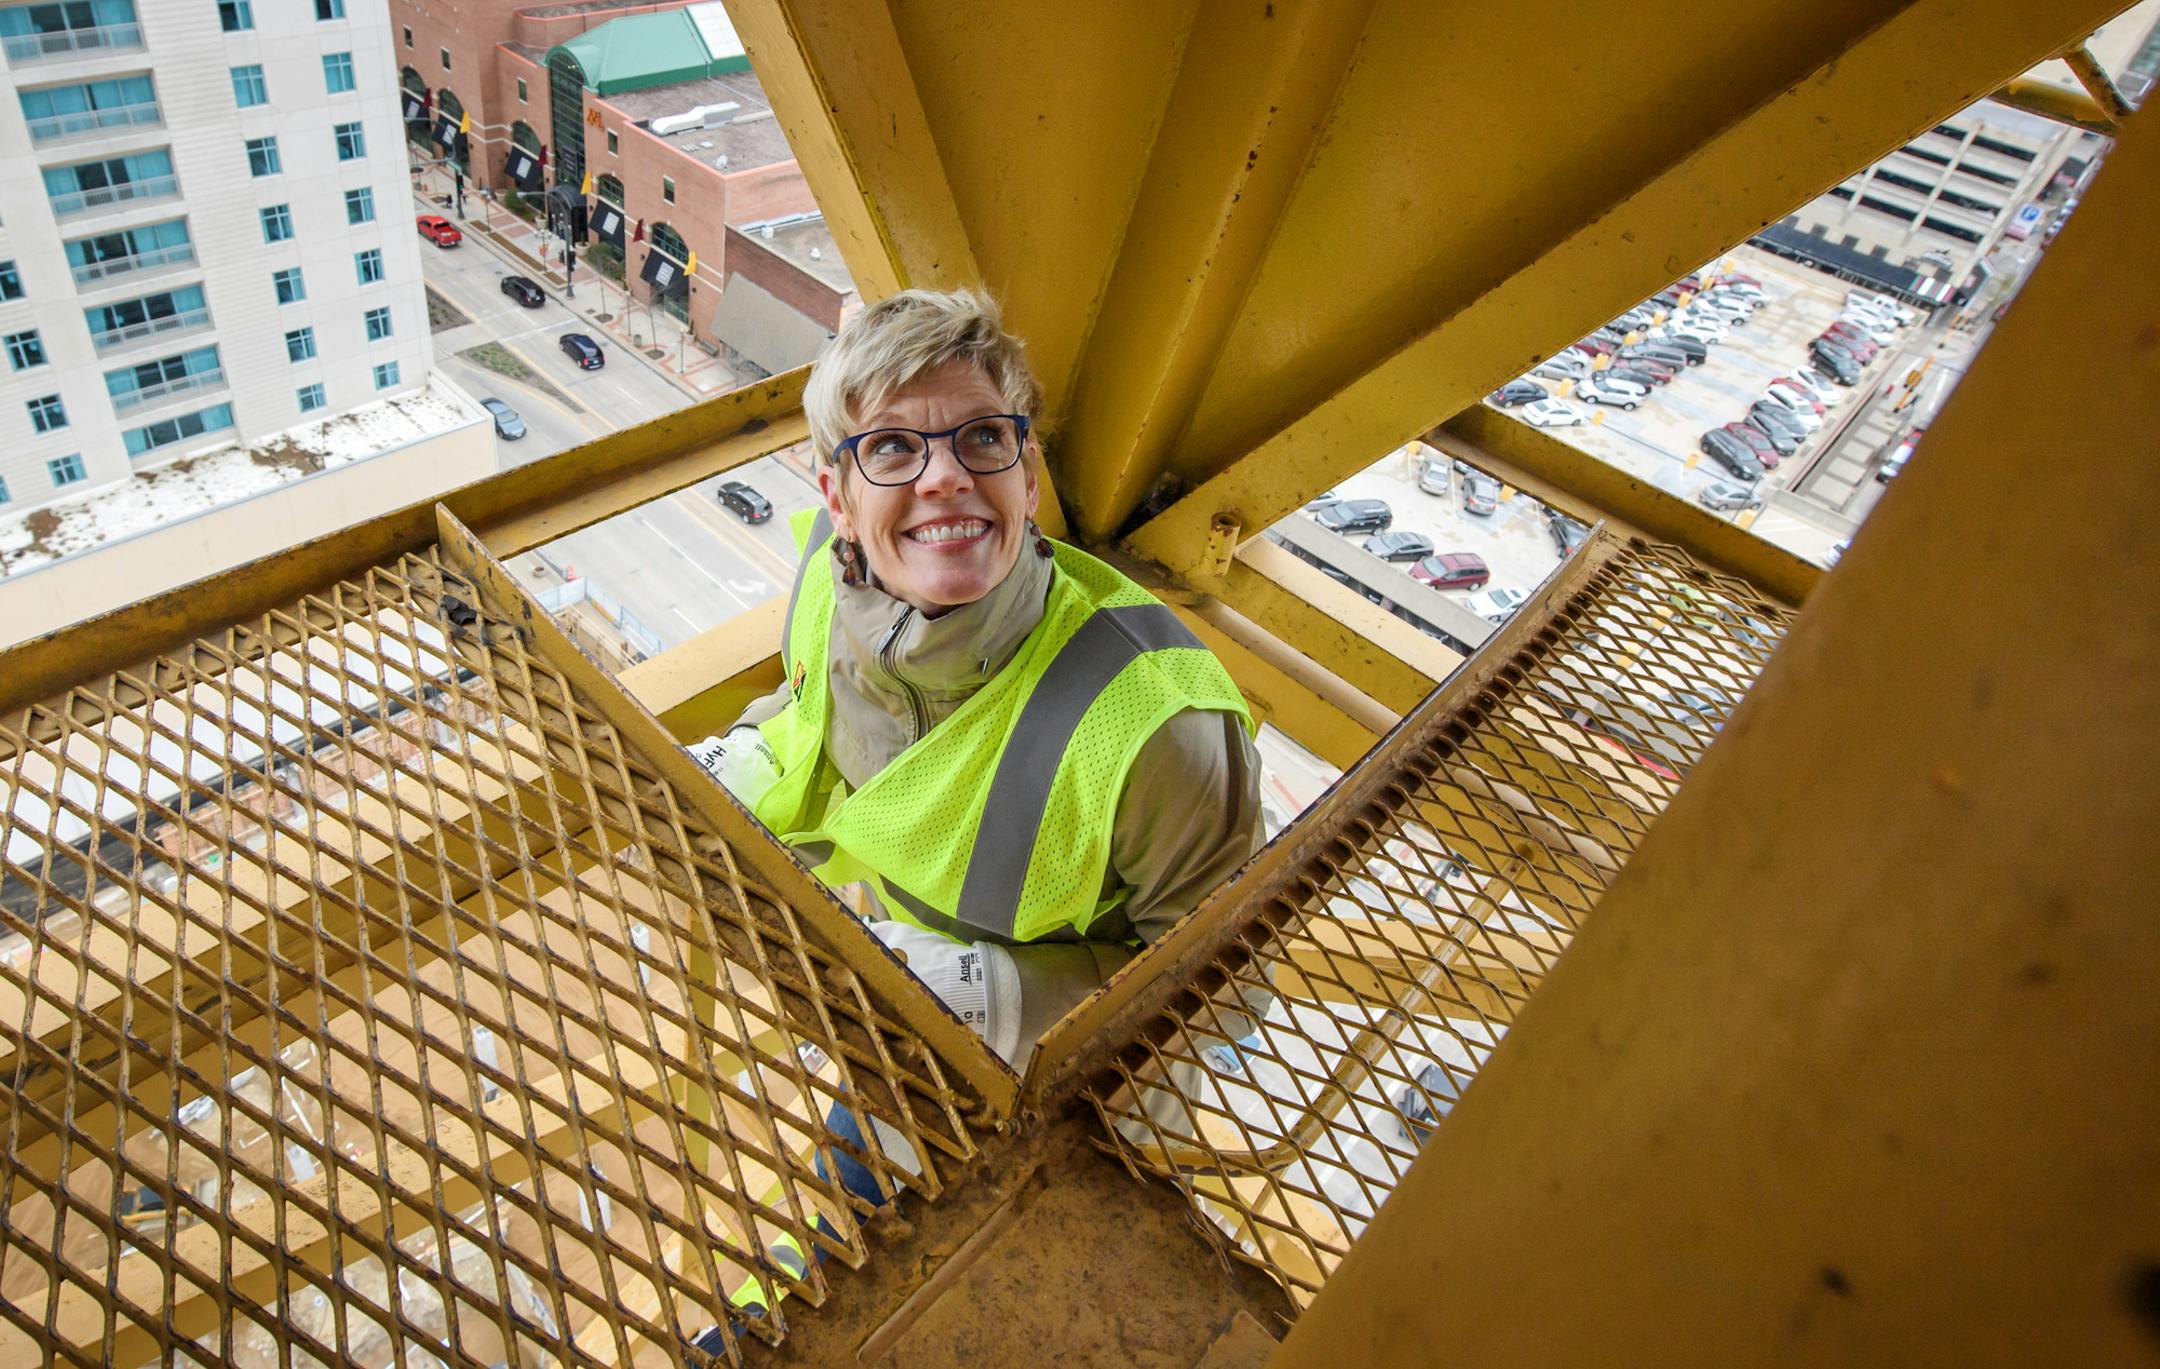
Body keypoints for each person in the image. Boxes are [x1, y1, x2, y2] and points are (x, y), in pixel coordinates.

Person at [693, 286, 1264, 1072]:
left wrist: (998, 996)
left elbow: (1228, 992)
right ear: (840, 500)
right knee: (856, 1180)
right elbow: (817, 704)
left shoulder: (1156, 726)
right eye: (893, 446)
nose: (944, 477)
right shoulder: (831, 581)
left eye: (983, 437)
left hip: (1068, 1104)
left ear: (1027, 478)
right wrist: (754, 751)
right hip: (896, 1031)